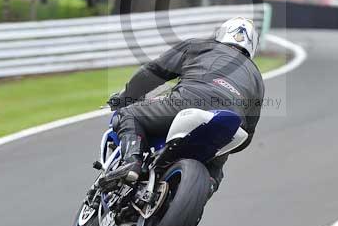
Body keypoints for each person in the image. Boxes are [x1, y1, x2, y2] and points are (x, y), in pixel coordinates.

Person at [106, 17, 265, 193]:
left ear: (221, 33)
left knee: (128, 114)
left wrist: (126, 97)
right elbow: (247, 135)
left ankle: (131, 163)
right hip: (230, 121)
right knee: (215, 169)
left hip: (187, 102)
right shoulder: (257, 78)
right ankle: (205, 189)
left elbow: (152, 72)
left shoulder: (198, 46)